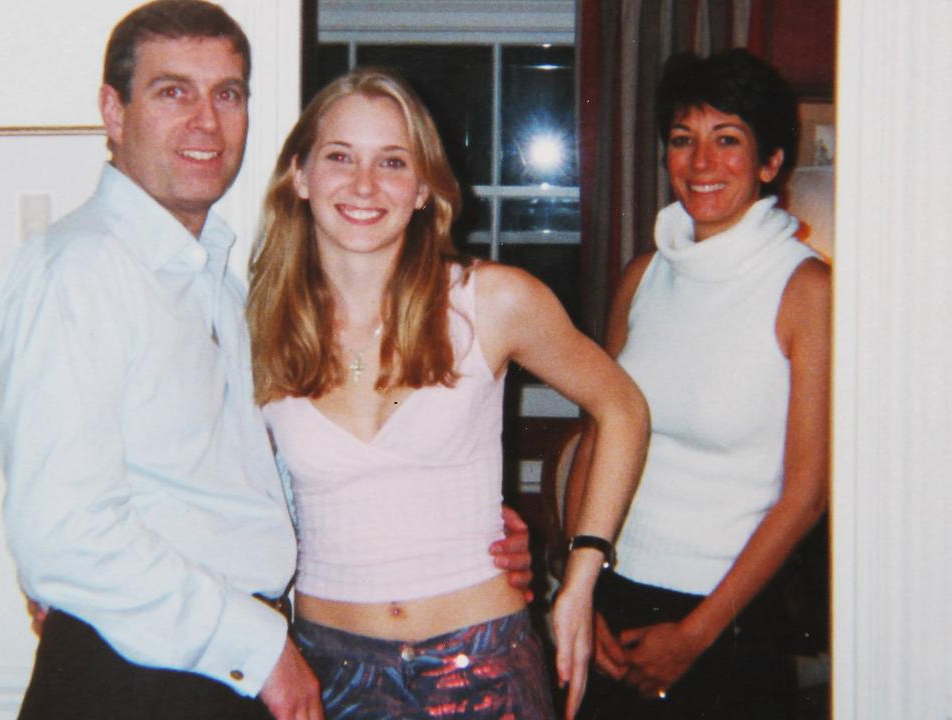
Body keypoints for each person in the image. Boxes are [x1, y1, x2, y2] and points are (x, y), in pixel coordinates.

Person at [0, 4, 532, 719]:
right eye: (173, 91)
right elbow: (62, 533)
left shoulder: (223, 287)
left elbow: (249, 486)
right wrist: (261, 647)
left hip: (226, 665)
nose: (206, 121)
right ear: (113, 112)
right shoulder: (80, 271)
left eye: (228, 94)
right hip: (142, 672)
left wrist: (450, 526)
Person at [246, 67, 651, 720]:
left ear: (425, 190)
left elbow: (623, 406)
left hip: (485, 664)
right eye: (340, 156)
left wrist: (581, 576)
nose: (363, 185)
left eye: (393, 162)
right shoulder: (256, 328)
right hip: (325, 675)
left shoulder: (492, 301)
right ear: (300, 175)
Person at [566, 48, 832, 718]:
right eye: (683, 140)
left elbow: (806, 494)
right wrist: (579, 585)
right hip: (613, 599)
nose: (701, 162)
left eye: (728, 140)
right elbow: (597, 440)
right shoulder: (643, 276)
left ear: (772, 163)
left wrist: (697, 635)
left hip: (729, 621)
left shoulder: (807, 291)